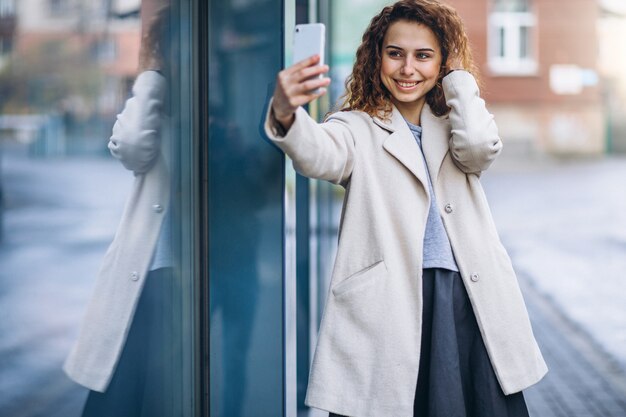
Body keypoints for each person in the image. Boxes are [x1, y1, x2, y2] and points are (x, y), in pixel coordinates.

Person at [264, 1, 547, 416]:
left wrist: (458, 81)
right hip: (393, 306)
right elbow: (318, 154)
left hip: (466, 300)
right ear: (377, 57)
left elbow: (478, 151)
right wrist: (286, 112)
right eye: (395, 53)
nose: (407, 69)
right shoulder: (356, 125)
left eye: (424, 55)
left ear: (443, 61)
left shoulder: (458, 120)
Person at [62, 3, 180, 416]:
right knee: (122, 397)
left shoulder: (229, 102)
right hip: (151, 272)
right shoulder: (160, 101)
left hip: (200, 276)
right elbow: (130, 146)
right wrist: (151, 74)